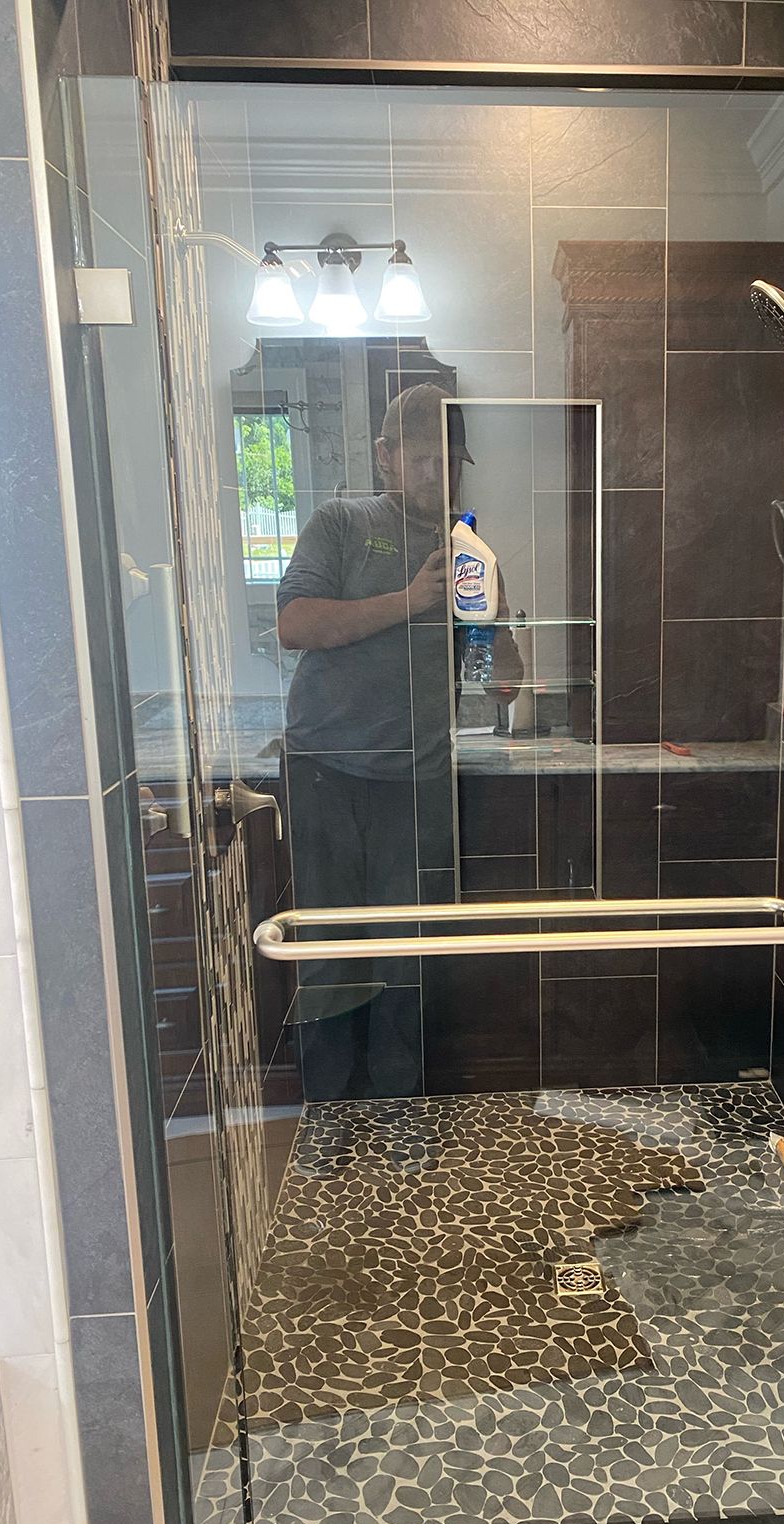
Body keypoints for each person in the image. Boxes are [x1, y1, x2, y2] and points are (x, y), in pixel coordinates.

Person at [276, 383, 520, 1102]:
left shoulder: (471, 551)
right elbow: (295, 624)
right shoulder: (343, 523)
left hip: (417, 780)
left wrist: (493, 616)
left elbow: (502, 684)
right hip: (325, 772)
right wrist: (412, 601)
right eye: (421, 459)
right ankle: (326, 1113)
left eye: (450, 461)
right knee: (325, 950)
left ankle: (399, 1110)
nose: (437, 475)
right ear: (385, 458)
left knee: (408, 952)